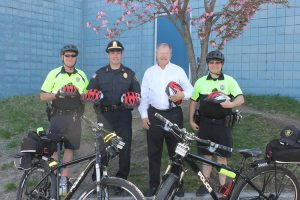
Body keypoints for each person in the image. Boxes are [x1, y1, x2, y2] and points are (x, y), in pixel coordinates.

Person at [138, 43, 193, 197]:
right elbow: (144, 97)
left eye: (166, 53)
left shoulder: (178, 70)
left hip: (174, 114)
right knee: (154, 152)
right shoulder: (149, 72)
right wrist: (143, 116)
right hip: (154, 115)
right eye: (161, 53)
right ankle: (154, 186)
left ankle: (177, 185)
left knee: (176, 152)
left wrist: (182, 95)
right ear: (156, 54)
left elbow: (191, 89)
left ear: (170, 54)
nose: (163, 56)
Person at [189, 50, 244, 197]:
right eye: (211, 62)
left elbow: (241, 99)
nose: (214, 65)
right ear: (208, 64)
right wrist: (190, 120)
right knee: (206, 156)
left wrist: (230, 104)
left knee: (222, 157)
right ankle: (205, 184)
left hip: (223, 125)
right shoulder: (200, 82)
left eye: (217, 63)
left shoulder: (229, 81)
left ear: (222, 64)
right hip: (205, 125)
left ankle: (222, 185)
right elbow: (193, 102)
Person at [87, 40, 141, 183]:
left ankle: (121, 180)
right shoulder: (99, 74)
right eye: (112, 53)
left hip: (123, 116)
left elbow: (137, 95)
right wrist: (94, 98)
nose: (115, 55)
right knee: (102, 147)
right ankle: (98, 179)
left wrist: (134, 100)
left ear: (121, 55)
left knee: (125, 147)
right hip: (105, 117)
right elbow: (90, 93)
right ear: (108, 55)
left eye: (118, 53)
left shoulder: (129, 74)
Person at [40, 44, 88, 195]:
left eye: (73, 56)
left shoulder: (81, 75)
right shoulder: (54, 74)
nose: (70, 58)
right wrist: (58, 95)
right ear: (62, 57)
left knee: (69, 148)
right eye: (67, 55)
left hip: (74, 117)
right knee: (54, 149)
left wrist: (80, 95)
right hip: (57, 116)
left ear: (76, 58)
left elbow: (86, 95)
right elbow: (42, 95)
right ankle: (53, 178)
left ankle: (63, 180)